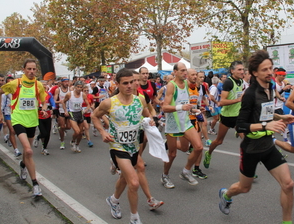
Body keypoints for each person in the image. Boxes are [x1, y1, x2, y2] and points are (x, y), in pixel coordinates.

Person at [218, 50, 294, 224]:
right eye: (264, 69)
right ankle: (226, 194)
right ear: (254, 73)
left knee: (288, 184)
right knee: (244, 188)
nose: (269, 72)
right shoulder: (250, 94)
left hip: (268, 146)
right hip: (251, 148)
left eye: (271, 68)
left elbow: (264, 114)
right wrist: (265, 125)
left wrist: (281, 117)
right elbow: (241, 125)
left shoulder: (270, 88)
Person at [92, 69, 156, 224]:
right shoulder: (109, 103)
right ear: (118, 84)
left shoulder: (139, 100)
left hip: (134, 146)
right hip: (117, 146)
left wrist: (151, 121)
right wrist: (102, 132)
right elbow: (94, 116)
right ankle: (134, 218)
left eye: (131, 82)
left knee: (124, 178)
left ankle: (113, 200)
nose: (129, 85)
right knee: (133, 182)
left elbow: (148, 115)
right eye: (125, 83)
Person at [0, 59, 48, 197]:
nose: (31, 72)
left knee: (27, 152)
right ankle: (35, 185)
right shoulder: (15, 83)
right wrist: (0, 113)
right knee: (29, 151)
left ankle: (23, 165)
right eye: (29, 69)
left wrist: (43, 109)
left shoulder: (38, 85)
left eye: (34, 69)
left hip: (32, 121)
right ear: (24, 69)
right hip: (18, 120)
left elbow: (43, 101)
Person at [161, 62, 203, 188]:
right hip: (173, 123)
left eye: (186, 71)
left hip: (185, 122)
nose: (185, 73)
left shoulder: (185, 83)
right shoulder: (171, 85)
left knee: (198, 147)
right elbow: (165, 107)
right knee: (172, 154)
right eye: (182, 71)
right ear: (175, 72)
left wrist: (192, 109)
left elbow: (184, 102)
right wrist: (181, 107)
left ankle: (186, 171)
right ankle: (165, 176)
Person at [204, 61, 244, 169]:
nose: (242, 71)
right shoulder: (228, 82)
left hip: (238, 116)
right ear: (232, 71)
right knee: (219, 141)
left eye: (242, 69)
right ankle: (209, 153)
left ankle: (246, 168)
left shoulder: (241, 81)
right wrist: (238, 100)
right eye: (239, 69)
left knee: (246, 141)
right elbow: (222, 102)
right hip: (227, 116)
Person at [62, 81, 90, 153]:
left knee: (80, 133)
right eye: (78, 87)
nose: (79, 89)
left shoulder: (83, 95)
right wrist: (65, 110)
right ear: (75, 87)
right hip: (72, 113)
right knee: (77, 131)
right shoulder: (69, 94)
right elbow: (63, 102)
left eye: (81, 87)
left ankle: (77, 145)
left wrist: (86, 109)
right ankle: (73, 141)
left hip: (80, 113)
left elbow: (88, 104)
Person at [33, 80, 56, 155]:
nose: (44, 86)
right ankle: (38, 137)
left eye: (45, 85)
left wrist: (52, 108)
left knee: (48, 133)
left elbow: (53, 104)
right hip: (39, 117)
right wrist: (40, 109)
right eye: (42, 85)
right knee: (44, 133)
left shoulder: (48, 94)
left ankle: (44, 148)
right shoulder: (35, 95)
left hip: (48, 116)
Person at [2, 75, 22, 157]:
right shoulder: (4, 93)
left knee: (14, 131)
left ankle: (10, 138)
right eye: (9, 83)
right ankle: (16, 150)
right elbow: (2, 104)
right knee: (12, 130)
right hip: (8, 113)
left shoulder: (19, 91)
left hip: (16, 113)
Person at [54, 78, 71, 150]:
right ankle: (62, 142)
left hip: (69, 109)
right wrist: (61, 101)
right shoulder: (58, 90)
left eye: (67, 82)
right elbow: (54, 101)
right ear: (61, 83)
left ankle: (59, 128)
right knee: (63, 127)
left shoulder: (70, 90)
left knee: (69, 127)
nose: (67, 83)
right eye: (65, 82)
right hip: (61, 110)